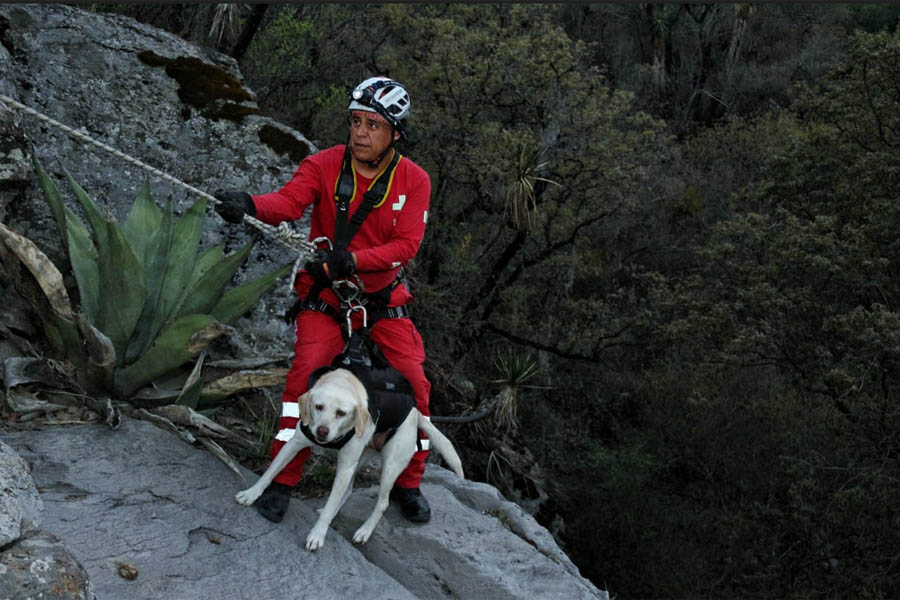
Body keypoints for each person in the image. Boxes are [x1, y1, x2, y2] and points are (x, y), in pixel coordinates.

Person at [214, 76, 433, 524]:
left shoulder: (414, 181)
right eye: (355, 121)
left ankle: (409, 483)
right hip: (327, 298)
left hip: (380, 301)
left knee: (416, 386)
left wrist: (349, 260)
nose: (360, 133)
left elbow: (405, 246)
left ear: (395, 133)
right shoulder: (324, 165)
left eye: (373, 124)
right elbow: (290, 203)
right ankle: (281, 480)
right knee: (304, 381)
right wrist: (250, 205)